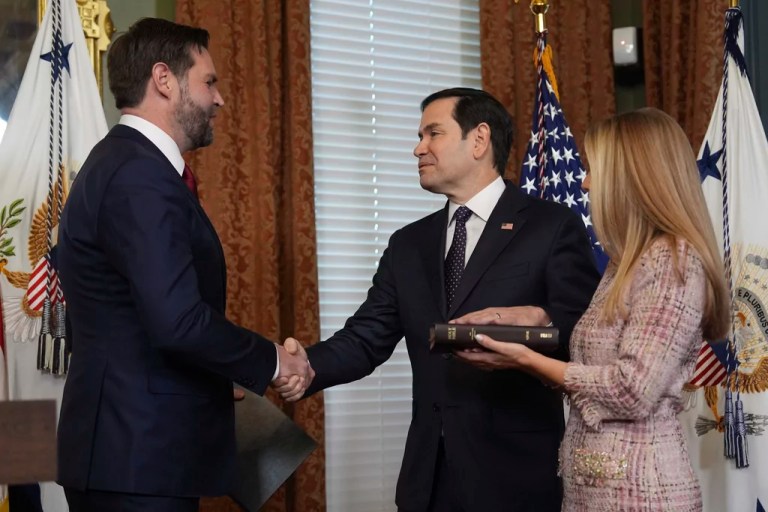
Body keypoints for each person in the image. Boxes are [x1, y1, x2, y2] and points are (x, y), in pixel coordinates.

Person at [277, 88, 601, 511]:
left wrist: (533, 330)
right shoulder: (408, 244)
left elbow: (583, 331)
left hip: (517, 476)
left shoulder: (550, 226)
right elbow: (366, 337)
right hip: (428, 478)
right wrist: (307, 366)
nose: (418, 148)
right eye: (419, 135)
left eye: (433, 133)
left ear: (479, 140)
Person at [56, 18, 311, 512]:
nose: (219, 99)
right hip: (135, 460)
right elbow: (177, 321)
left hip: (135, 454)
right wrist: (275, 361)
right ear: (164, 80)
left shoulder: (126, 165)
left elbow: (141, 318)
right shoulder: (139, 176)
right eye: (209, 81)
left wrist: (216, 377)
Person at [459, 107, 730, 511]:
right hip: (592, 489)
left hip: (643, 493)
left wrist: (529, 361)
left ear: (633, 178)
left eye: (595, 169)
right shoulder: (625, 261)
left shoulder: (674, 261)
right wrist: (531, 323)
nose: (585, 182)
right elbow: (595, 363)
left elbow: (632, 390)